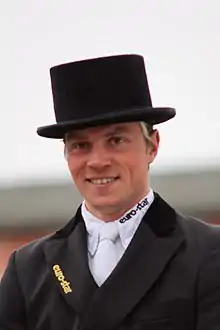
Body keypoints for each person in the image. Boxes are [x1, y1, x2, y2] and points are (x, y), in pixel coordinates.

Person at [0, 54, 220, 330]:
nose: (97, 161)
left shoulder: (209, 253)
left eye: (116, 140)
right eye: (81, 146)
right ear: (66, 154)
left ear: (152, 145)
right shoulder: (27, 270)